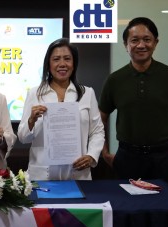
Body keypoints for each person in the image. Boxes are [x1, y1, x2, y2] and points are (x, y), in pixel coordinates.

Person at [99, 17, 168, 190]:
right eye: (134, 40)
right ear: (125, 44)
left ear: (156, 42)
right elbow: (100, 118)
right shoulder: (115, 80)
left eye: (147, 39)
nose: (141, 45)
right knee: (128, 210)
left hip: (165, 158)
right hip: (127, 158)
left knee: (167, 211)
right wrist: (104, 152)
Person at [17, 38, 104, 180]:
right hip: (42, 175)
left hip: (78, 173)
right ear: (48, 64)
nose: (62, 64)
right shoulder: (35, 93)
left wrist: (91, 156)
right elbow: (23, 137)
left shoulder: (87, 93)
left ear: (74, 63)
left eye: (67, 59)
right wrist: (31, 120)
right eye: (56, 59)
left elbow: (97, 131)